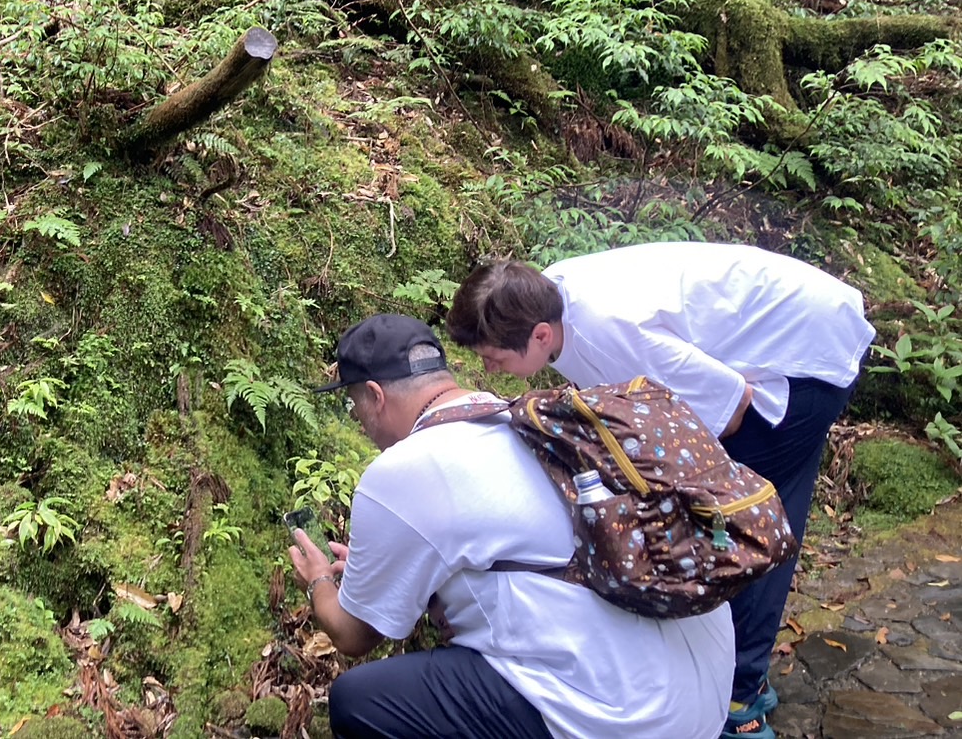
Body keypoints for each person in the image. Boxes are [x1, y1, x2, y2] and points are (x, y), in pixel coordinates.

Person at [445, 242, 875, 739]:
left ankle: (739, 694)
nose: (490, 370)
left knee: (739, 525)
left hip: (805, 355)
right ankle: (736, 670)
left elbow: (731, 407)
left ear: (540, 335)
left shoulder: (607, 331)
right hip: (793, 321)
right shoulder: (545, 299)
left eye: (494, 358)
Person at [289, 312, 735, 739]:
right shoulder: (528, 420)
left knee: (358, 701)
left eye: (356, 408)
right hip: (707, 687)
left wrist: (320, 582)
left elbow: (353, 635)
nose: (362, 425)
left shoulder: (403, 469)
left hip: (628, 718)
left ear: (376, 395)